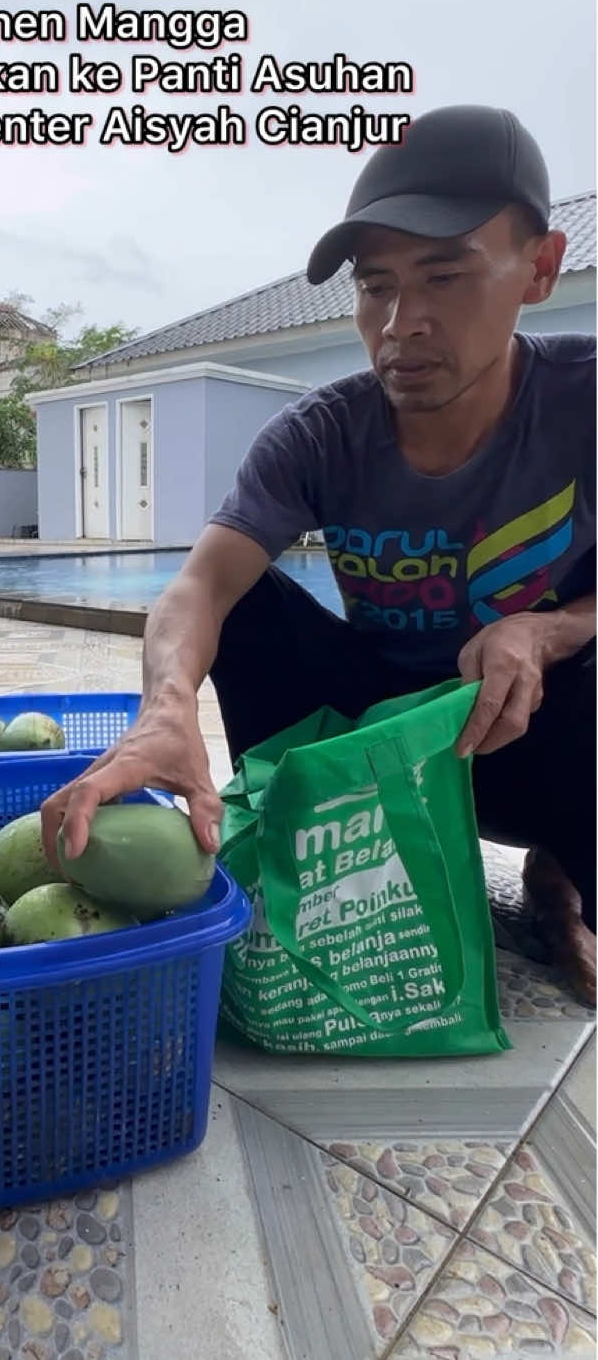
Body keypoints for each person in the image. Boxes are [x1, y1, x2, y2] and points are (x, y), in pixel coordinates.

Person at [40, 105, 597, 1005]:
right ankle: (318, 867)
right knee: (246, 602)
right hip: (384, 755)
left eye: (444, 276)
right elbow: (198, 587)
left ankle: (563, 872)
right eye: (375, 287)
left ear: (539, 269)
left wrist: (547, 630)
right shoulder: (316, 436)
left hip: (533, 740)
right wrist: (165, 705)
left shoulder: (585, 401)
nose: (401, 321)